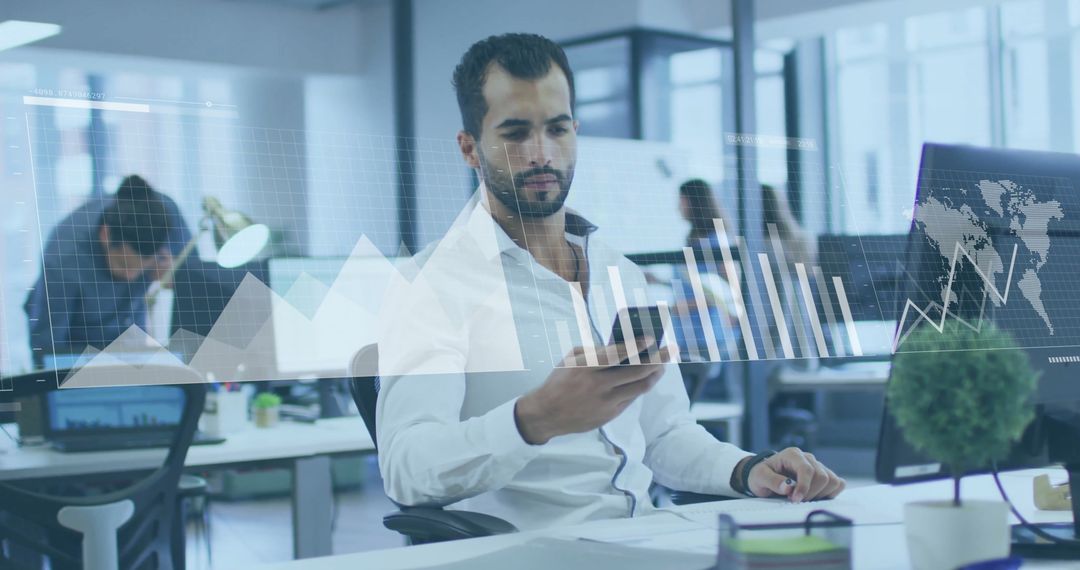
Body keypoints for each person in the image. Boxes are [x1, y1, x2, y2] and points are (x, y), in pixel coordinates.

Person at [376, 33, 844, 532]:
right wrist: (532, 419)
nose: (541, 153)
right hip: (532, 554)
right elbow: (406, 469)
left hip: (643, 537)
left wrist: (749, 470)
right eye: (514, 134)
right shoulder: (431, 285)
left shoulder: (617, 271)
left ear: (575, 131)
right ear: (470, 148)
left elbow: (665, 435)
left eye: (557, 130)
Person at [24, 175, 191, 364]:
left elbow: (195, 279)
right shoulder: (64, 257)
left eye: (142, 268)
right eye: (124, 265)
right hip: (78, 346)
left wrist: (175, 275)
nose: (131, 277)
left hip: (131, 337)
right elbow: (47, 348)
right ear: (105, 235)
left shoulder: (164, 215)